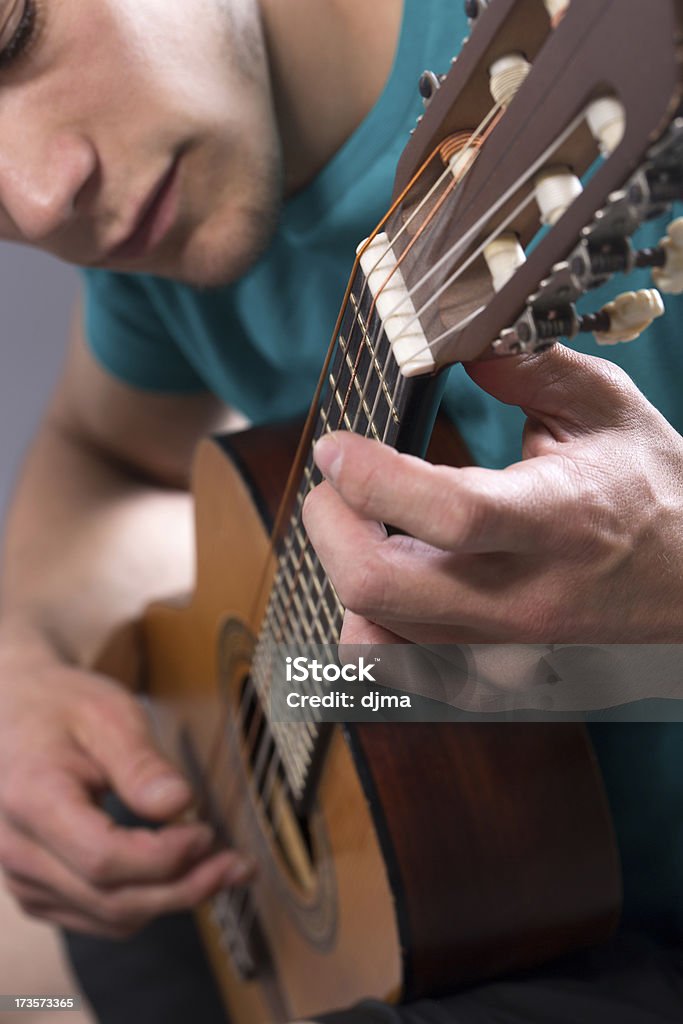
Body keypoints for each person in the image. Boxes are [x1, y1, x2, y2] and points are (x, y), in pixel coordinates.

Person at [0, 0, 680, 1021]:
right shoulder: (160, 220)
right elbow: (106, 461)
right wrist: (19, 668)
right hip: (447, 884)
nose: (42, 202)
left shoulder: (595, 64)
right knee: (137, 919)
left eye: (15, 36)